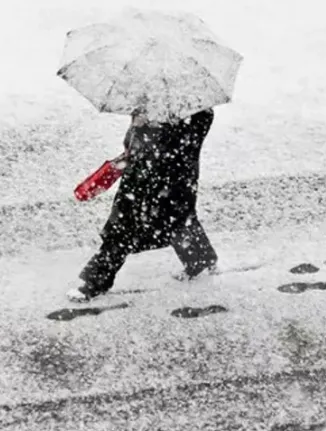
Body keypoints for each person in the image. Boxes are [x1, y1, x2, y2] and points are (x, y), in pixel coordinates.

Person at [68, 107, 218, 301]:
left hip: (163, 184)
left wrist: (152, 128)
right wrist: (139, 130)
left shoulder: (194, 115)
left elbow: (167, 150)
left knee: (123, 232)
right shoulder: (154, 107)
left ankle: (95, 283)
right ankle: (201, 258)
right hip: (150, 182)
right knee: (179, 220)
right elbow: (136, 146)